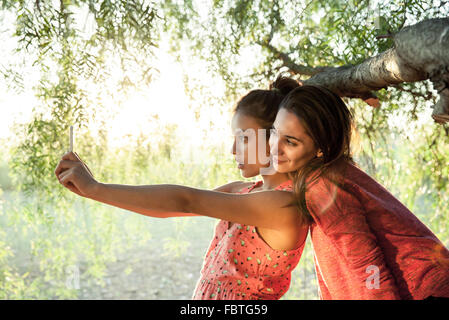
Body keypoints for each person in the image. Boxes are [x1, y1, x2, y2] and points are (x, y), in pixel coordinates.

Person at [54, 77, 310, 300]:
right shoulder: (241, 191)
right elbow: (169, 207)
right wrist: (94, 187)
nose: (233, 150)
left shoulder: (283, 206)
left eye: (243, 138)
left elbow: (185, 200)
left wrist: (96, 188)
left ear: (275, 138)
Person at [268, 84, 449, 300]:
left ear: (320, 149)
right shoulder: (329, 174)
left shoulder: (322, 186)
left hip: (424, 291)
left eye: (290, 141)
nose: (274, 146)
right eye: (273, 133)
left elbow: (368, 266)